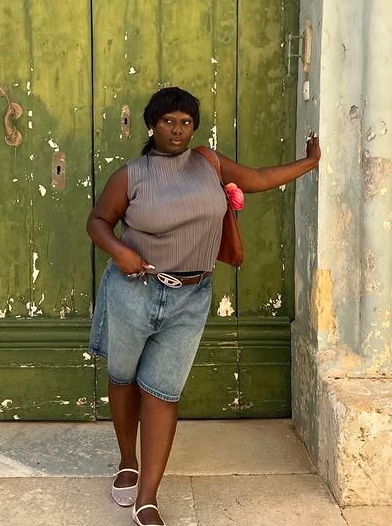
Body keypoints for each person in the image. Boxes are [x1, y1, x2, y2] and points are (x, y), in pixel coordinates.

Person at [87, 87, 320, 526]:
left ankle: (148, 498)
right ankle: (126, 462)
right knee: (122, 377)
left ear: (194, 128)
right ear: (151, 125)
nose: (177, 130)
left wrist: (309, 163)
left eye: (185, 122)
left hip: (191, 296)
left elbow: (258, 177)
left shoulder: (208, 163)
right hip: (133, 290)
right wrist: (120, 251)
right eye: (168, 121)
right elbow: (97, 221)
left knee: (162, 391)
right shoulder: (131, 175)